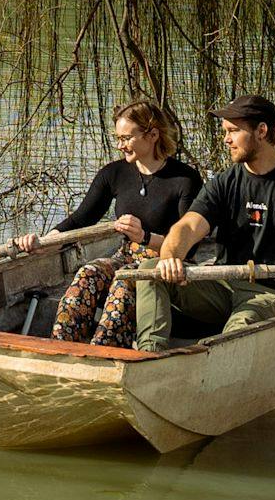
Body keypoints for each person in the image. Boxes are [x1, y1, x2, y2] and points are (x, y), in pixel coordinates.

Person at [143, 92, 275, 342]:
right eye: (225, 131)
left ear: (262, 131)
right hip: (224, 284)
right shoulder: (224, 183)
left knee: (243, 321)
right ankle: (149, 355)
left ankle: (220, 369)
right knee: (150, 269)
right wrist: (171, 258)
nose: (226, 139)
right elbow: (188, 227)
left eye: (234, 130)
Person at [13, 100, 199, 345]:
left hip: (163, 263)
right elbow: (80, 219)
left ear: (152, 135)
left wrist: (144, 237)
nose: (120, 145)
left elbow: (191, 248)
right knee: (87, 274)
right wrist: (45, 242)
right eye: (118, 138)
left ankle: (105, 352)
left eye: (126, 138)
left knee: (123, 284)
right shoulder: (114, 173)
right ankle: (62, 347)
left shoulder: (185, 179)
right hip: (125, 257)